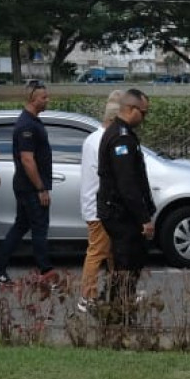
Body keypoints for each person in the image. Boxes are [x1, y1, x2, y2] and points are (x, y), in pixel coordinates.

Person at [95, 88, 157, 316]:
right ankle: (118, 311)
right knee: (126, 263)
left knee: (127, 262)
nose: (145, 117)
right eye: (143, 112)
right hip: (120, 213)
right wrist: (144, 218)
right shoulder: (120, 137)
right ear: (131, 109)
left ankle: (116, 306)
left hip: (119, 210)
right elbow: (127, 184)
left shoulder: (122, 133)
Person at [0, 80, 54, 284]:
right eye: (44, 97)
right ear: (33, 99)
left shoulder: (32, 121)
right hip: (30, 187)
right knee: (40, 228)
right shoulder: (26, 125)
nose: (47, 100)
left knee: (21, 226)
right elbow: (27, 159)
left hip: (26, 186)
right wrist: (40, 188)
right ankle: (46, 273)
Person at [78, 90, 126, 308]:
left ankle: (118, 292)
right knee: (98, 252)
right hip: (101, 207)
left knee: (110, 253)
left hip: (97, 204)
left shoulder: (93, 138)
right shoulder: (106, 140)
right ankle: (87, 296)